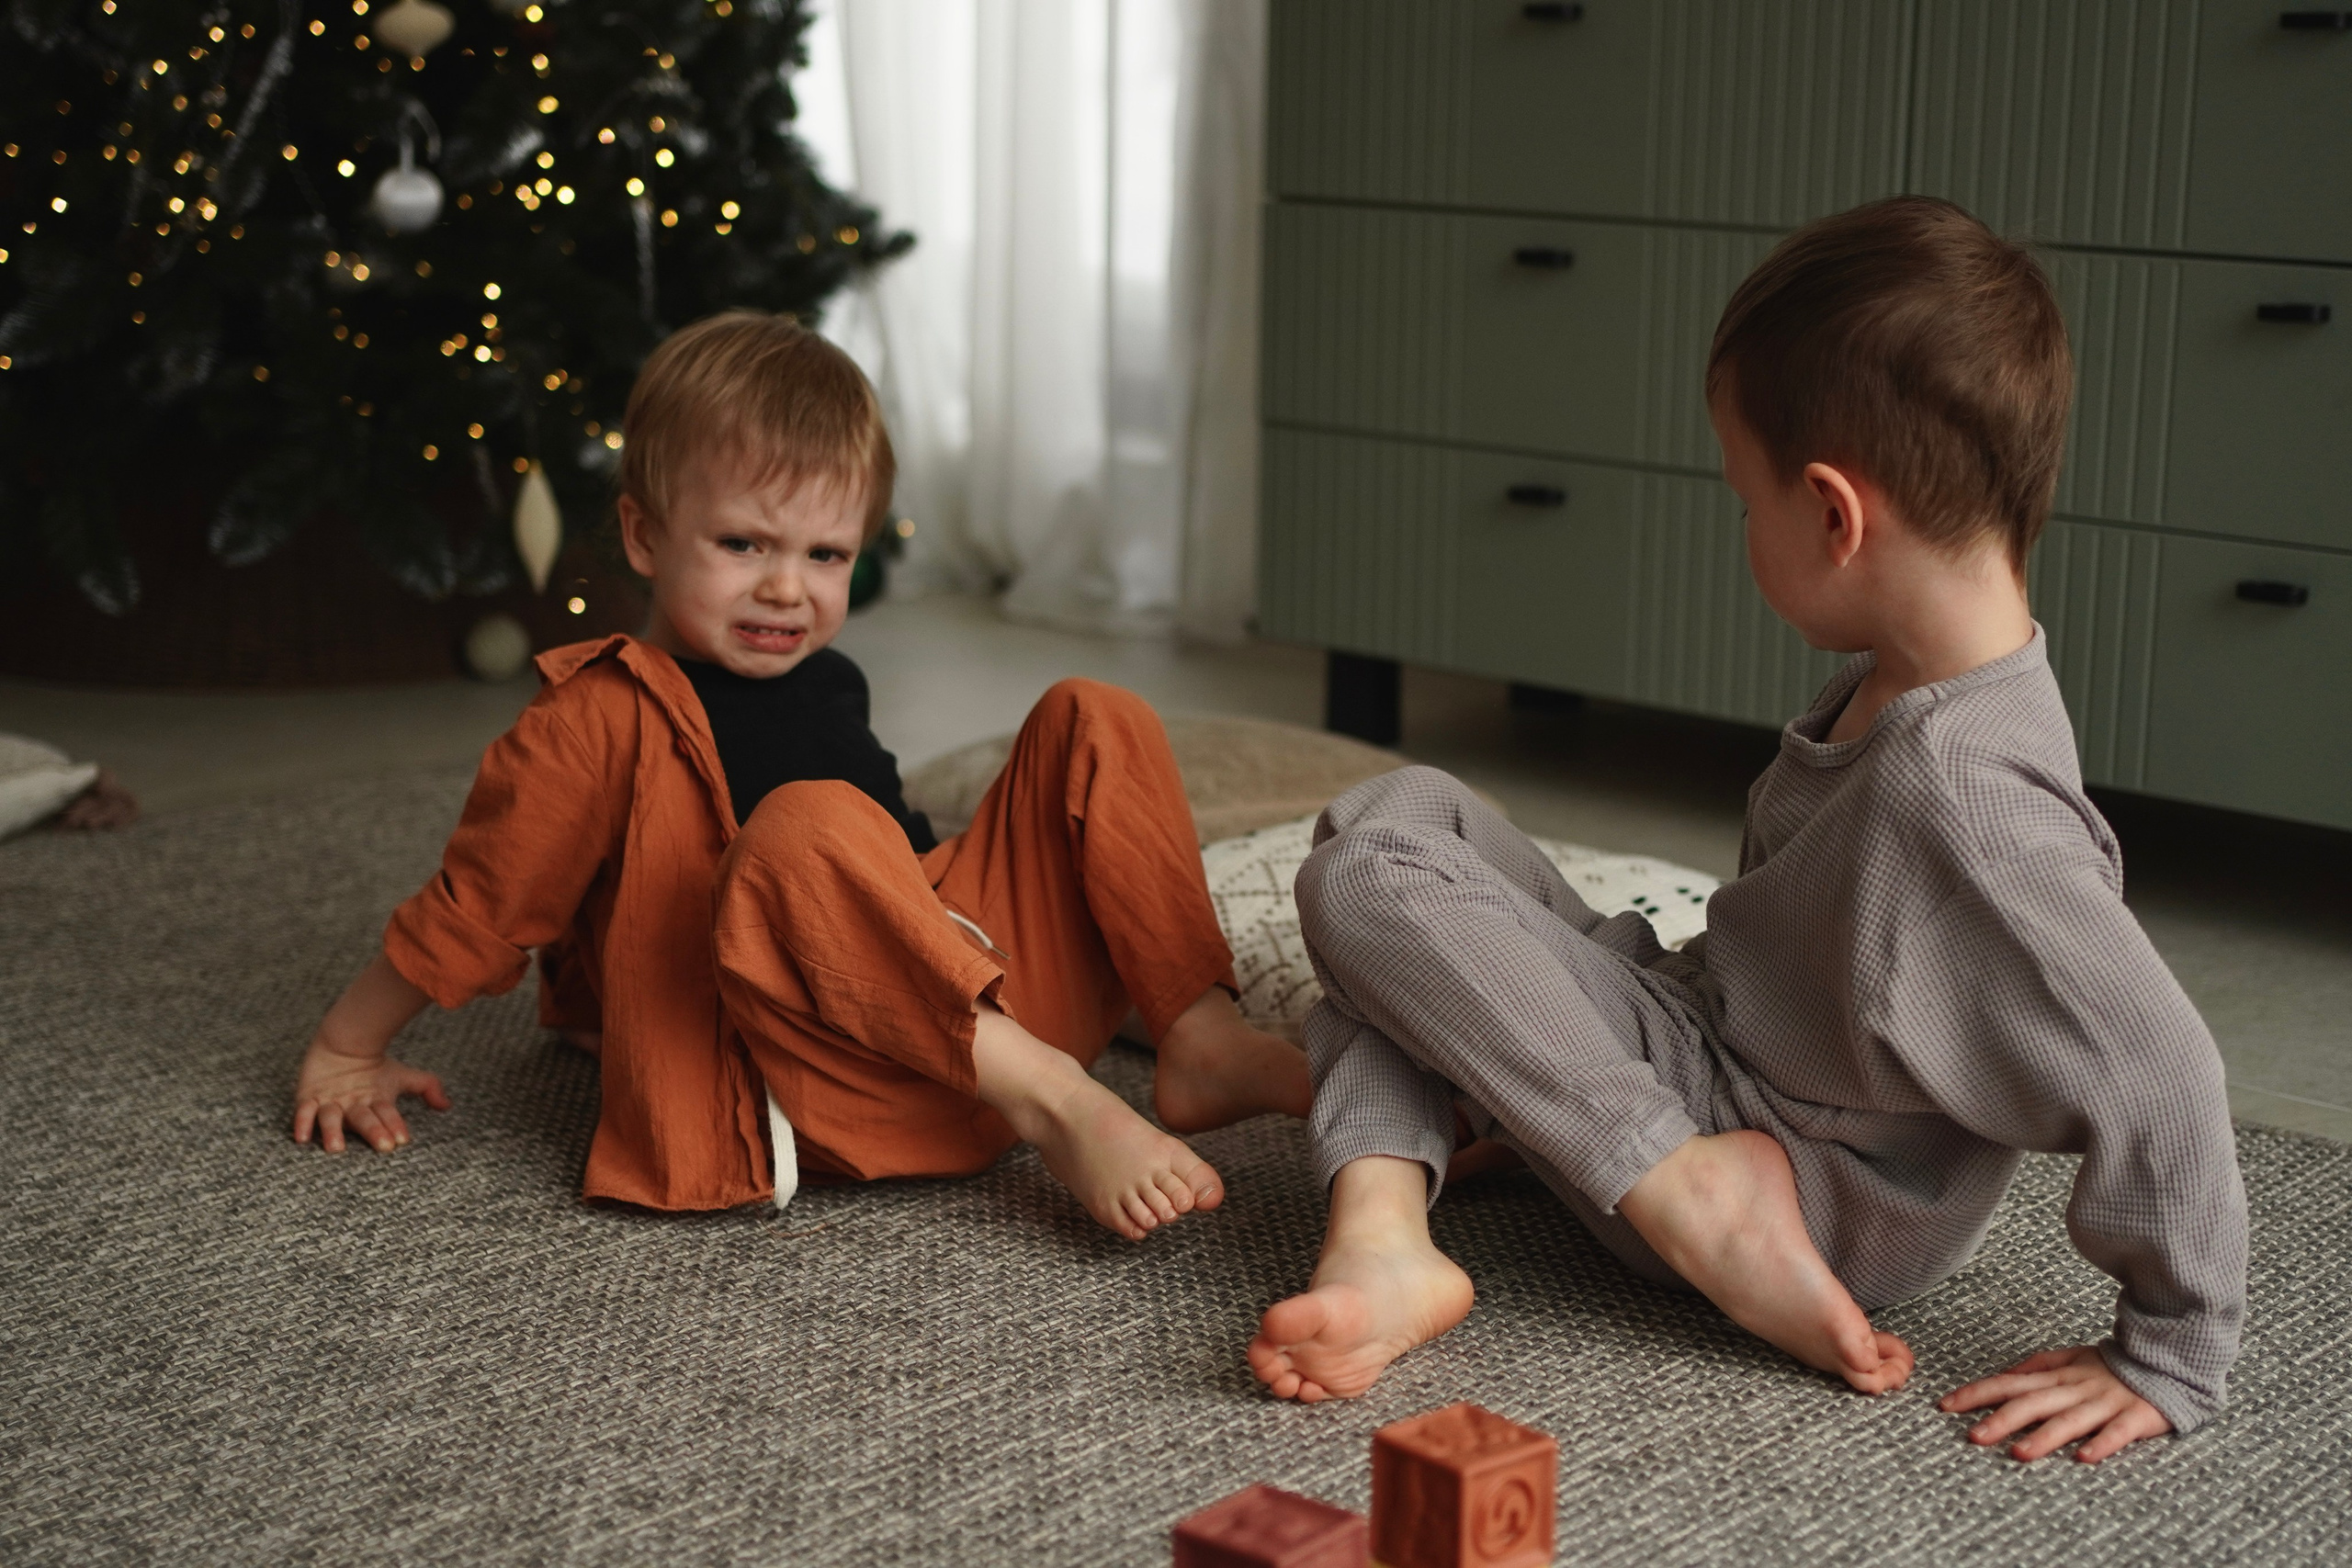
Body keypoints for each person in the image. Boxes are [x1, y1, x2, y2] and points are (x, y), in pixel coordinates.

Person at [1246, 197, 2247, 1465]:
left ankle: (1674, 1196)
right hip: (1718, 1045)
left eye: (1743, 496)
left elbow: (2161, 1063)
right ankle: (1390, 1228)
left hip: (1775, 1165)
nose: (1741, 527)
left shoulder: (1970, 799)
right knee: (1404, 824)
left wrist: (2171, 1348)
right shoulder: (1941, 677)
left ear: (1835, 514)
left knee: (1369, 883)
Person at [291, 311, 1309, 1240]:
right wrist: (346, 1046)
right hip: (819, 1077)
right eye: (743, 544)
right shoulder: (596, 717)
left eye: (826, 555)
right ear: (644, 535)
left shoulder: (828, 681)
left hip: (970, 1009)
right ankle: (1060, 1102)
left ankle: (1199, 1037)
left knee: (1095, 715)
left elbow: (912, 868)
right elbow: (480, 903)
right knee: (808, 826)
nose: (786, 587)